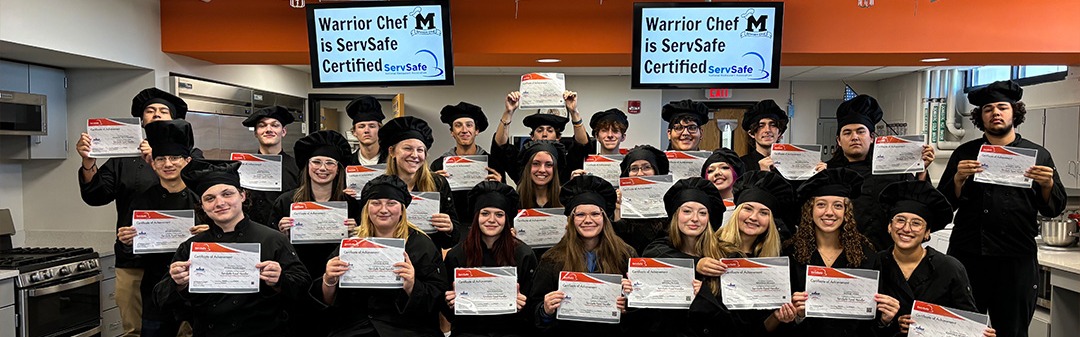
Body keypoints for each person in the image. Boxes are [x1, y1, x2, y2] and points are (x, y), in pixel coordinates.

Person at [938, 80, 1066, 337]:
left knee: (1013, 330)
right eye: (988, 109)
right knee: (961, 329)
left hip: (1015, 260)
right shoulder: (965, 152)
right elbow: (942, 206)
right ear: (980, 117)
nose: (995, 113)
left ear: (1014, 113)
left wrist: (1047, 183)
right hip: (969, 255)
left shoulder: (1037, 154)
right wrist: (958, 179)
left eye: (1002, 107)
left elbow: (1054, 208)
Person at [77, 87, 200, 337]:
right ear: (141, 120)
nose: (156, 115)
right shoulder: (122, 156)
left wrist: (157, 157)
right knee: (135, 327)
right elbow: (95, 195)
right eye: (150, 111)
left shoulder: (190, 157)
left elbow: (205, 198)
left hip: (182, 260)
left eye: (163, 111)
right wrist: (89, 162)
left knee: (186, 329)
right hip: (133, 257)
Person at [155, 160, 310, 337]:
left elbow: (303, 289)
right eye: (210, 198)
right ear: (203, 206)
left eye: (227, 194)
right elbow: (160, 299)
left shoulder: (273, 239)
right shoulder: (191, 246)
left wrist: (280, 280)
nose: (220, 203)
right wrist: (177, 283)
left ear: (242, 195)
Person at [317, 175, 449, 337]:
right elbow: (329, 301)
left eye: (391, 203)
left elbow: (438, 298)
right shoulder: (351, 245)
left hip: (408, 328)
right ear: (367, 209)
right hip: (355, 328)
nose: (383, 209)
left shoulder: (421, 245)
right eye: (376, 203)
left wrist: (412, 286)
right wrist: (329, 281)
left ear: (402, 209)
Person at [115, 120, 206, 337]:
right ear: (153, 164)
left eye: (175, 158)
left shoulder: (203, 200)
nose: (168, 164)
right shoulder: (142, 201)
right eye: (161, 159)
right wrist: (126, 242)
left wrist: (208, 237)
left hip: (195, 291)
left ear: (187, 161)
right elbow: (131, 251)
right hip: (155, 289)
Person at [785, 168, 898, 337]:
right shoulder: (791, 253)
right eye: (821, 204)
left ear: (847, 212)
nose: (829, 212)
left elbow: (871, 324)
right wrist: (797, 316)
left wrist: (885, 320)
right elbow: (780, 322)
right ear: (810, 210)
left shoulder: (866, 256)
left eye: (838, 205)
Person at [268, 130, 359, 336]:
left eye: (330, 163)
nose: (323, 168)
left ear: (338, 170)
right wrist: (280, 233)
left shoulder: (352, 205)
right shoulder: (286, 202)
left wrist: (356, 232)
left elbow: (363, 246)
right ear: (307, 166)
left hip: (338, 282)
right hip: (297, 283)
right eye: (316, 162)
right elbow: (270, 247)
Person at [876, 181, 996, 337]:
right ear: (889, 226)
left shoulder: (949, 268)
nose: (906, 228)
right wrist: (887, 323)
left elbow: (968, 320)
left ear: (927, 232)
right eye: (900, 220)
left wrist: (980, 333)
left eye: (916, 223)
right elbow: (859, 327)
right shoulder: (874, 264)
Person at [694, 170, 797, 337]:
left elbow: (760, 328)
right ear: (737, 212)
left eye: (764, 213)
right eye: (748, 209)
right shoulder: (709, 247)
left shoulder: (774, 263)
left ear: (771, 221)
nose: (754, 217)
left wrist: (776, 318)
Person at [528, 175, 635, 335]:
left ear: (605, 218)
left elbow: (640, 313)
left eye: (595, 214)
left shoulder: (625, 254)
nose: (588, 220)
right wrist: (545, 309)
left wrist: (629, 301)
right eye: (580, 215)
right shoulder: (551, 259)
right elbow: (534, 311)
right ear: (571, 220)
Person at [826, 94, 935, 250]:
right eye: (847, 132)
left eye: (860, 131)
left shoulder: (894, 169)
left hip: (886, 252)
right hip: (840, 251)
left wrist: (921, 170)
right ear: (838, 140)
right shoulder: (828, 172)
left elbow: (918, 203)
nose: (854, 137)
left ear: (871, 137)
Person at [442, 181, 538, 337]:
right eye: (485, 213)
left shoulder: (524, 254)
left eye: (499, 214)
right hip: (469, 332)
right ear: (476, 216)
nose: (492, 219)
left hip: (511, 331)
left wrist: (524, 305)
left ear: (507, 219)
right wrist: (449, 303)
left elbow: (534, 308)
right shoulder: (457, 255)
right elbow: (448, 313)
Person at [623, 178, 715, 337]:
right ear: (675, 215)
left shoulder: (722, 255)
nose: (695, 218)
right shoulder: (659, 248)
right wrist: (631, 293)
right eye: (687, 211)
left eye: (702, 213)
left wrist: (705, 297)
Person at [380, 116, 461, 249]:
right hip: (391, 259)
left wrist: (450, 228)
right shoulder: (379, 186)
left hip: (428, 259)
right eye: (407, 148)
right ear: (392, 151)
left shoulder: (438, 183)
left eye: (420, 150)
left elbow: (451, 240)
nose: (414, 155)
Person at [429, 101, 503, 232]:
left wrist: (500, 186)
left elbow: (503, 204)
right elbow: (432, 204)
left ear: (476, 131)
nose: (464, 130)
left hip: (486, 227)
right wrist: (433, 185)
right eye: (458, 126)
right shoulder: (439, 165)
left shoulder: (493, 164)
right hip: (452, 228)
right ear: (452, 132)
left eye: (469, 125)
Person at [491, 91, 590, 184]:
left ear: (558, 137)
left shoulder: (565, 164)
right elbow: (501, 147)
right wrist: (508, 112)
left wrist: (574, 112)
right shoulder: (521, 163)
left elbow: (581, 145)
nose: (544, 134)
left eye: (550, 130)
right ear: (532, 137)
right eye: (539, 130)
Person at [241, 105, 302, 226]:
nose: (268, 129)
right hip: (249, 235)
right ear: (256, 133)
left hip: (285, 236)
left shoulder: (298, 167)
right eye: (262, 125)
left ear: (283, 131)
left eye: (275, 125)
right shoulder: (242, 167)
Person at [610, 144, 671, 254]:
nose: (640, 173)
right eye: (634, 169)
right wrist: (618, 210)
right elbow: (615, 242)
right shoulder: (617, 202)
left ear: (656, 171)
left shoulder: (670, 202)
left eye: (646, 167)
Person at [699, 148, 745, 229]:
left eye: (724, 167)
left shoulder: (747, 206)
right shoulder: (700, 207)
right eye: (710, 171)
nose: (717, 173)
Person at [739, 99, 789, 172]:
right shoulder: (741, 165)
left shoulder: (789, 163)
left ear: (779, 133)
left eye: (773, 125)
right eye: (761, 126)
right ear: (751, 133)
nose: (767, 130)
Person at [516, 140, 567, 209]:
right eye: (536, 164)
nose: (542, 170)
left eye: (548, 165)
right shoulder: (514, 201)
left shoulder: (566, 200)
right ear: (527, 167)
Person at [346, 95, 387, 165]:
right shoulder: (347, 163)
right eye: (361, 127)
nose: (366, 130)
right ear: (354, 132)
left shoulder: (392, 161)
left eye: (372, 126)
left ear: (380, 130)